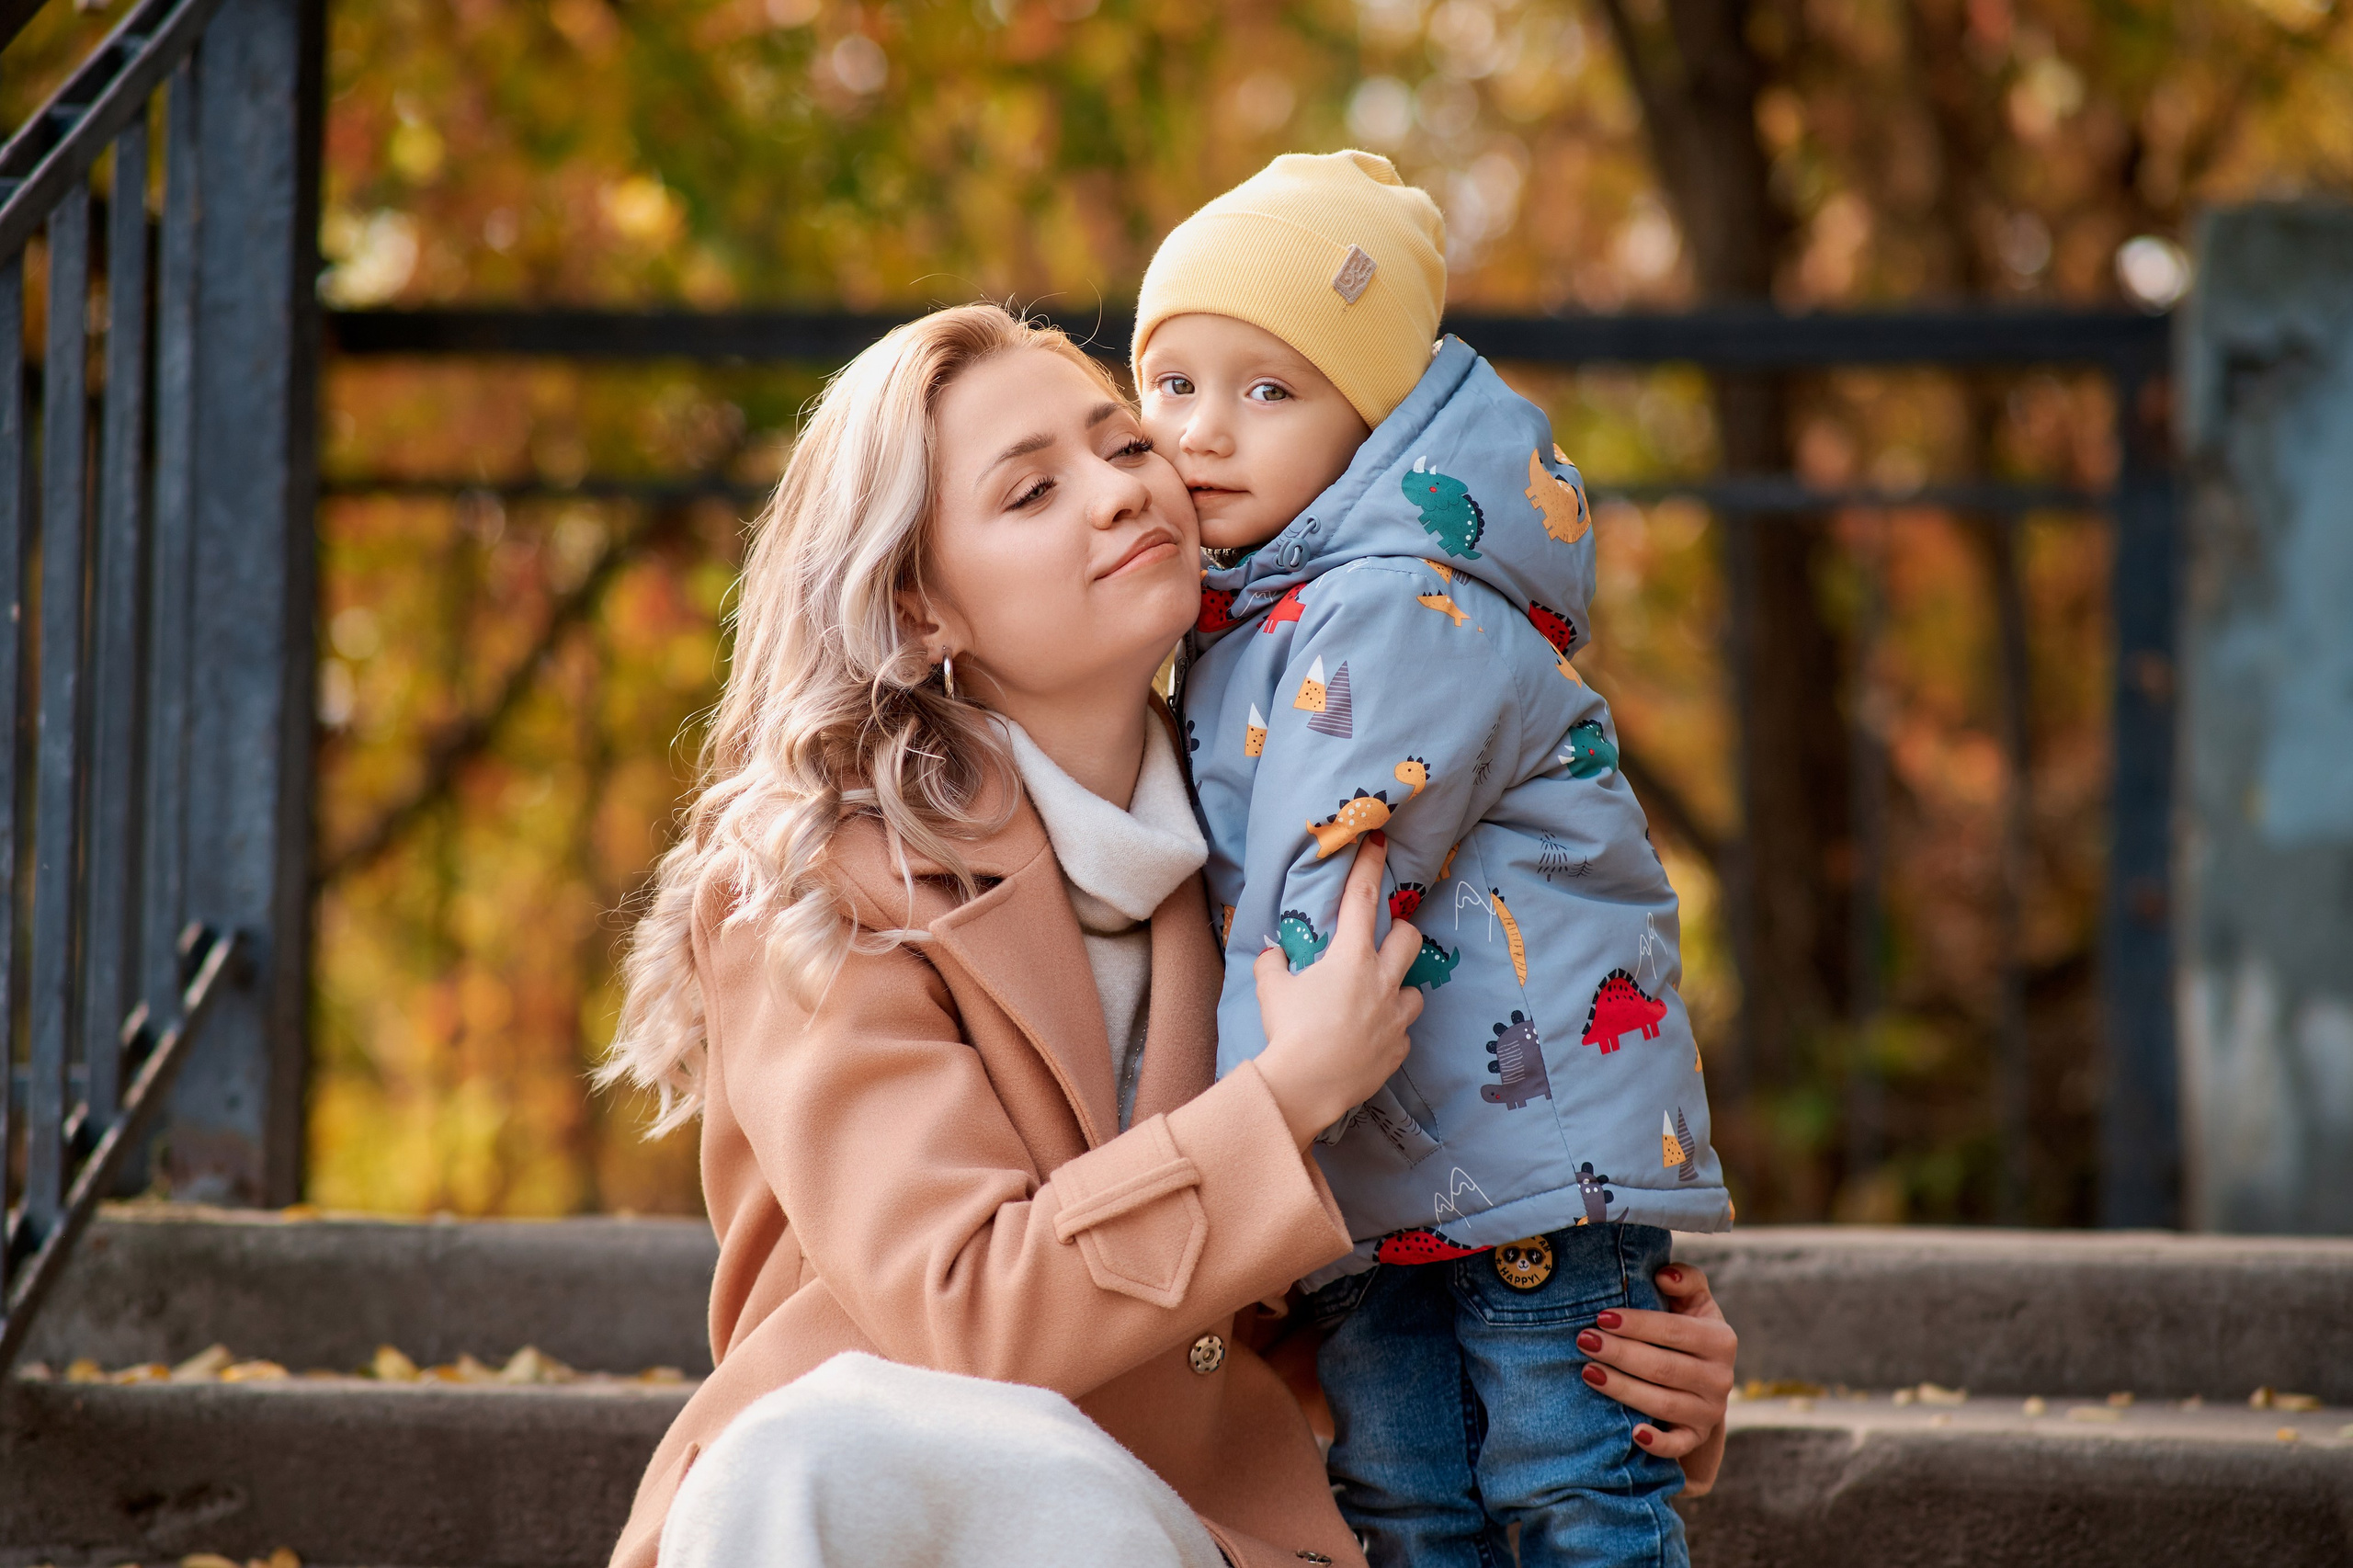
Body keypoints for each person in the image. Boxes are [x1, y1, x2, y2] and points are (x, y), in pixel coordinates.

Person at [598, 302, 1737, 1568]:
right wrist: (1282, 1094)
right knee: (815, 1451)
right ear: (922, 612)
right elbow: (963, 1317)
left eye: (1125, 447)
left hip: (1179, 1529)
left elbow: (1295, 1329)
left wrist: (1607, 1344)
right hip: (882, 1508)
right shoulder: (817, 887)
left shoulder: (1295, 838)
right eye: (1032, 493)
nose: (1120, 493)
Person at [1135, 151, 1730, 1568]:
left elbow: (1323, 880)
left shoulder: (1396, 599)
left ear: (1376, 419)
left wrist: (1237, 1140)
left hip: (1523, 1151)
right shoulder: (1259, 610)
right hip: (1393, 1165)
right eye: (1173, 384)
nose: (1205, 433)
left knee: (1568, 1484)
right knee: (1403, 1503)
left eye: (1270, 390)